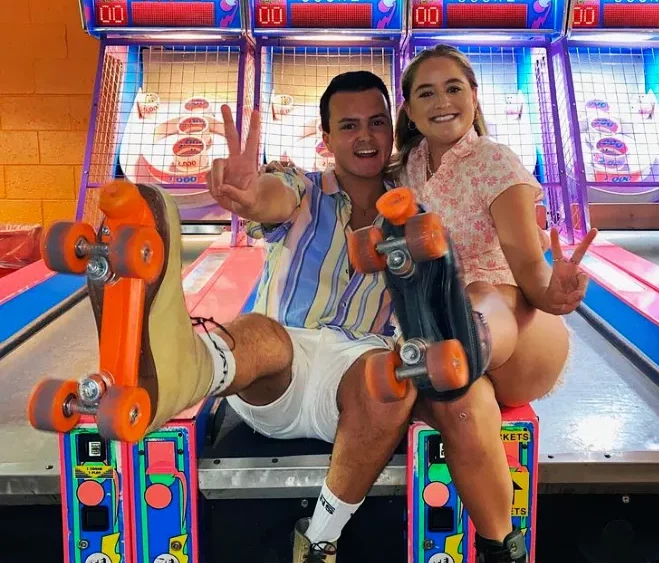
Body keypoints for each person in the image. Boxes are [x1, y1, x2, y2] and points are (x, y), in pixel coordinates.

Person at [95, 71, 416, 563]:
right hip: (276, 371)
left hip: (353, 370)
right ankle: (177, 376)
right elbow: (273, 195)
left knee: (391, 378)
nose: (365, 136)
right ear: (327, 139)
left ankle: (319, 540)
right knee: (264, 332)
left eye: (376, 122)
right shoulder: (302, 186)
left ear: (391, 133)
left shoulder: (413, 214)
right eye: (348, 126)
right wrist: (249, 193)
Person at [387, 44, 598, 561]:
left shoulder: (494, 161)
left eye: (453, 88)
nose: (442, 101)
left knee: (479, 294)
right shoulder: (408, 169)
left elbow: (527, 268)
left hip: (517, 335)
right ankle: (500, 542)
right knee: (463, 406)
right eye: (426, 92)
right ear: (410, 110)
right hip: (446, 352)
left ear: (473, 96)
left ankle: (467, 341)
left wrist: (557, 291)